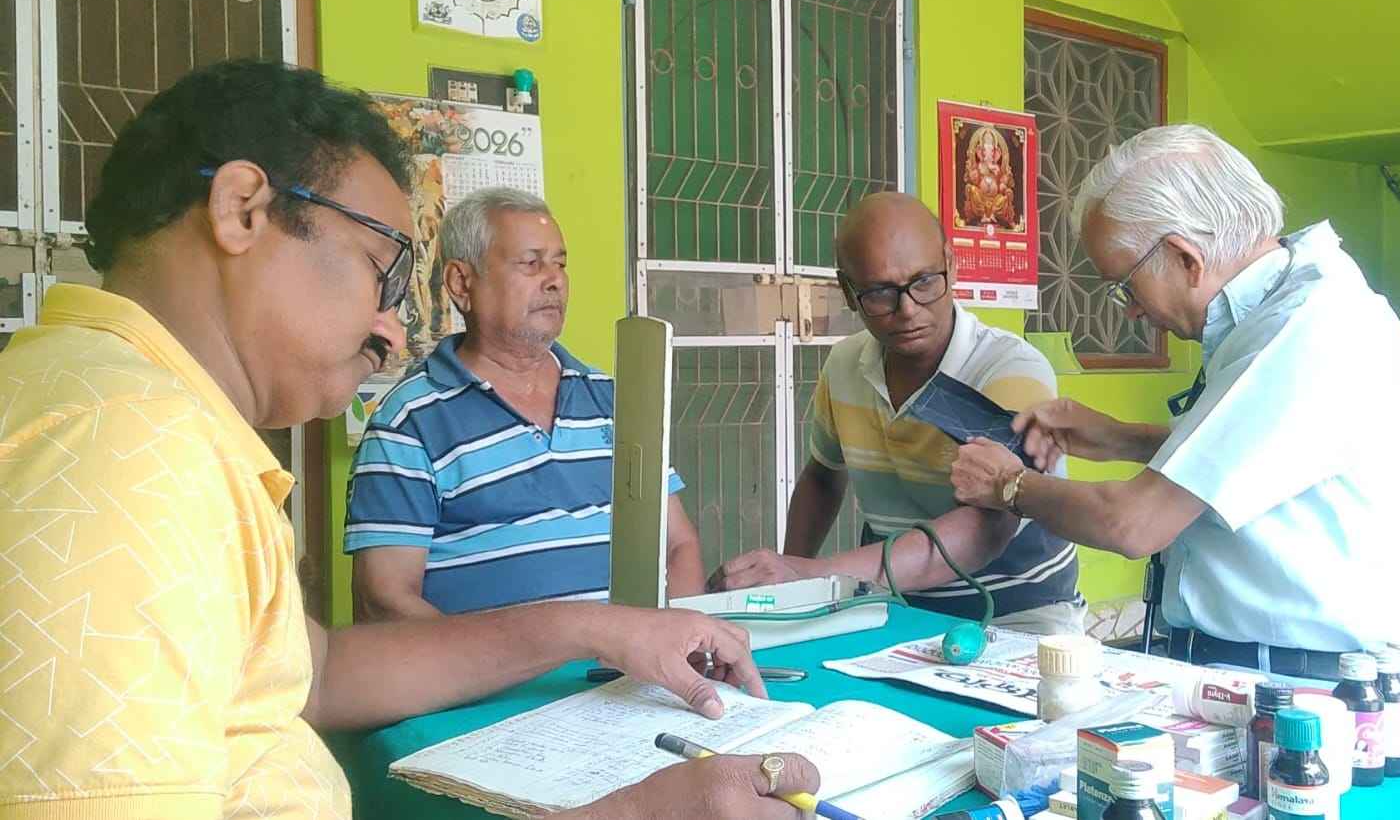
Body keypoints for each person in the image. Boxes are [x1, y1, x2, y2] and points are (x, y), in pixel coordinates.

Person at [0, 59, 815, 820]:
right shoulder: (124, 453)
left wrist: (596, 627)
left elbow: (318, 673)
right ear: (242, 209)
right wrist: (628, 811)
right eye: (379, 268)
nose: (390, 329)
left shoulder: (132, 414)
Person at [950, 124, 1400, 678]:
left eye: (1124, 286)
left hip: (1313, 683)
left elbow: (1132, 523)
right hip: (1251, 667)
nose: (1131, 310)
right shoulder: (1275, 309)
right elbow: (1256, 457)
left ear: (1185, 258)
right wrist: (1123, 438)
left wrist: (1008, 485)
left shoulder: (1308, 326)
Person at [710, 192, 1085, 635]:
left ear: (951, 263)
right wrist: (790, 583)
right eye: (880, 292)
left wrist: (814, 574)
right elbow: (823, 477)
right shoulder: (844, 366)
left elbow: (988, 526)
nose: (907, 310)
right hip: (890, 604)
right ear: (849, 291)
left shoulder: (1009, 369)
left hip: (1019, 610)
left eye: (924, 281)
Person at [345, 187, 704, 619]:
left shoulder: (613, 398)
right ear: (461, 283)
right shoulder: (408, 422)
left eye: (560, 264)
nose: (554, 280)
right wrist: (524, 653)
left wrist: (675, 642)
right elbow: (384, 600)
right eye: (531, 263)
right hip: (490, 664)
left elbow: (677, 545)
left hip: (634, 660)